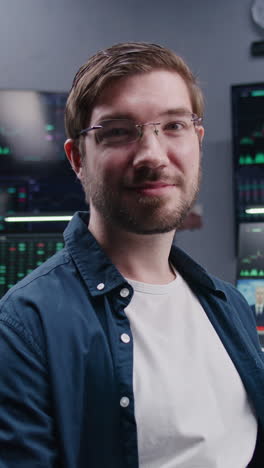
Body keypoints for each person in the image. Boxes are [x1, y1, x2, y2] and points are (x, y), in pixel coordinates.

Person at [0, 42, 264, 468]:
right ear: (77, 159)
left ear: (196, 142)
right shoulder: (24, 329)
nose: (152, 156)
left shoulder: (229, 305)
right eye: (118, 131)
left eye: (174, 125)